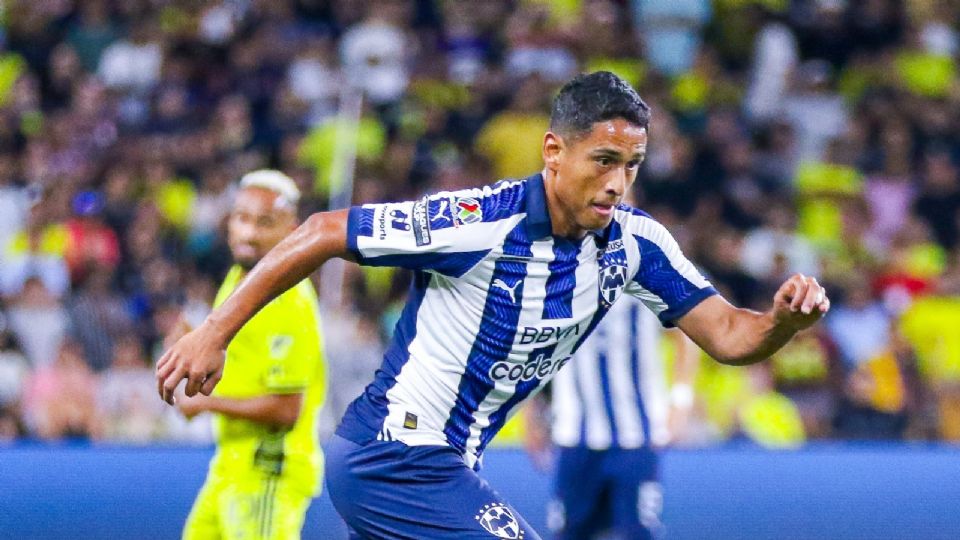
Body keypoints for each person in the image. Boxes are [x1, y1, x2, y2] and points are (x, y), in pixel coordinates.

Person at [158, 72, 830, 540]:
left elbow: (730, 335)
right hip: (394, 455)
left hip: (444, 465)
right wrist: (213, 332)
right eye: (603, 160)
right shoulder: (479, 221)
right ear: (553, 152)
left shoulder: (636, 245)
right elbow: (323, 232)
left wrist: (782, 324)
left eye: (633, 164)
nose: (619, 182)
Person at [171, 170, 327, 540]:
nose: (249, 233)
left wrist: (206, 404)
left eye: (265, 222)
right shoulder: (240, 280)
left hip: (268, 470)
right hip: (231, 465)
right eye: (242, 218)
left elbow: (287, 409)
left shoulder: (288, 300)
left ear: (291, 231)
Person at [525, 293, 700, 540]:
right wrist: (532, 415)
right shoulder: (559, 278)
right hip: (574, 432)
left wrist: (680, 401)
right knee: (569, 531)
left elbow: (684, 334)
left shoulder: (643, 273)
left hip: (637, 434)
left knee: (638, 531)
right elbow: (536, 346)